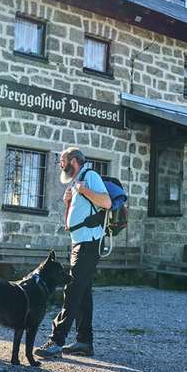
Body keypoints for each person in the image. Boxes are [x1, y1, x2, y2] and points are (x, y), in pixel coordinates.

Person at [35, 147, 111, 358]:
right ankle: (84, 342)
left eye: (63, 160)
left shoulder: (90, 176)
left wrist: (83, 190)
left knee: (72, 290)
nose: (60, 164)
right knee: (83, 293)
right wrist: (69, 200)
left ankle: (56, 341)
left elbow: (106, 202)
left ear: (75, 161)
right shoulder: (76, 183)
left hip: (89, 243)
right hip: (80, 242)